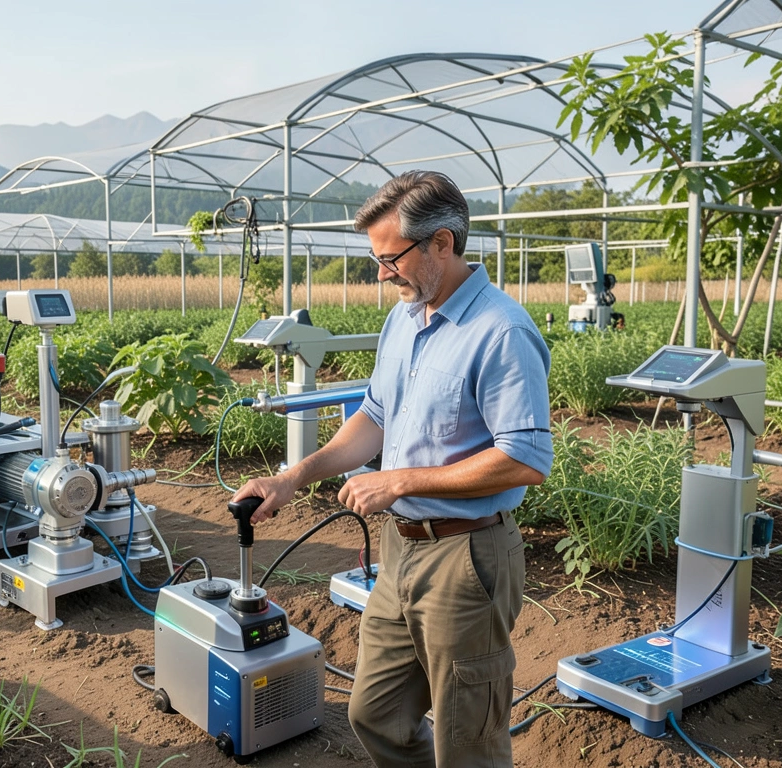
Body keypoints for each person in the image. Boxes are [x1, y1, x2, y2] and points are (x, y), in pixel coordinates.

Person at [231, 170, 553, 768]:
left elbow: (525, 459)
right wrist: (293, 476)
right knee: (374, 713)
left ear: (442, 244)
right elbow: (374, 419)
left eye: (390, 258)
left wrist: (401, 480)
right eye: (376, 259)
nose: (382, 274)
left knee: (468, 740)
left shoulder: (501, 331)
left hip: (467, 558)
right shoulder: (404, 320)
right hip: (399, 551)